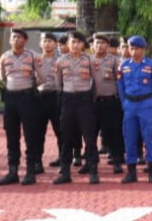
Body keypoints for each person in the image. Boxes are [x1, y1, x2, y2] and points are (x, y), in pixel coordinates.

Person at [0, 28, 42, 186]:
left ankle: (30, 171)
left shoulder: (33, 56)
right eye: (13, 37)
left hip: (27, 97)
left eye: (19, 37)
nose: (15, 40)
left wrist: (29, 88)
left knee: (30, 135)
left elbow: (41, 77)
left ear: (25, 41)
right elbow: (2, 77)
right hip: (10, 98)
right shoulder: (4, 57)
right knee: (11, 135)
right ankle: (12, 171)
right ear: (10, 40)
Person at [54, 31, 100, 185]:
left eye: (79, 42)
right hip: (68, 101)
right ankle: (65, 171)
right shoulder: (60, 62)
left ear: (83, 44)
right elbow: (58, 83)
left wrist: (91, 100)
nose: (76, 45)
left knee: (89, 137)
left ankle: (93, 170)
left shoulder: (90, 60)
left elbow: (97, 82)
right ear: (67, 44)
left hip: (85, 101)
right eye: (73, 42)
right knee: (66, 138)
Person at [118, 37, 152, 184]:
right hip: (130, 105)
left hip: (146, 104)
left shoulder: (151, 66)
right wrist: (124, 103)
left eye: (137, 48)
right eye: (131, 48)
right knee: (129, 138)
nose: (133, 51)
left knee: (150, 137)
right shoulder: (123, 66)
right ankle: (131, 172)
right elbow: (121, 88)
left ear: (143, 50)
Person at [91, 35, 124, 174]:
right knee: (90, 134)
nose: (99, 45)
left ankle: (117, 161)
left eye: (103, 43)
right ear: (93, 45)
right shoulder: (87, 61)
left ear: (108, 45)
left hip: (110, 101)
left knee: (113, 132)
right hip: (92, 103)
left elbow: (121, 81)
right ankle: (91, 162)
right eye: (97, 43)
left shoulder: (115, 61)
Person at [35, 33, 62, 173]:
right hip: (39, 97)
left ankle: (63, 160)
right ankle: (37, 162)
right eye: (44, 41)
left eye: (50, 41)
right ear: (40, 43)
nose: (47, 44)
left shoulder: (61, 60)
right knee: (38, 132)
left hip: (56, 96)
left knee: (60, 131)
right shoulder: (34, 60)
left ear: (55, 43)